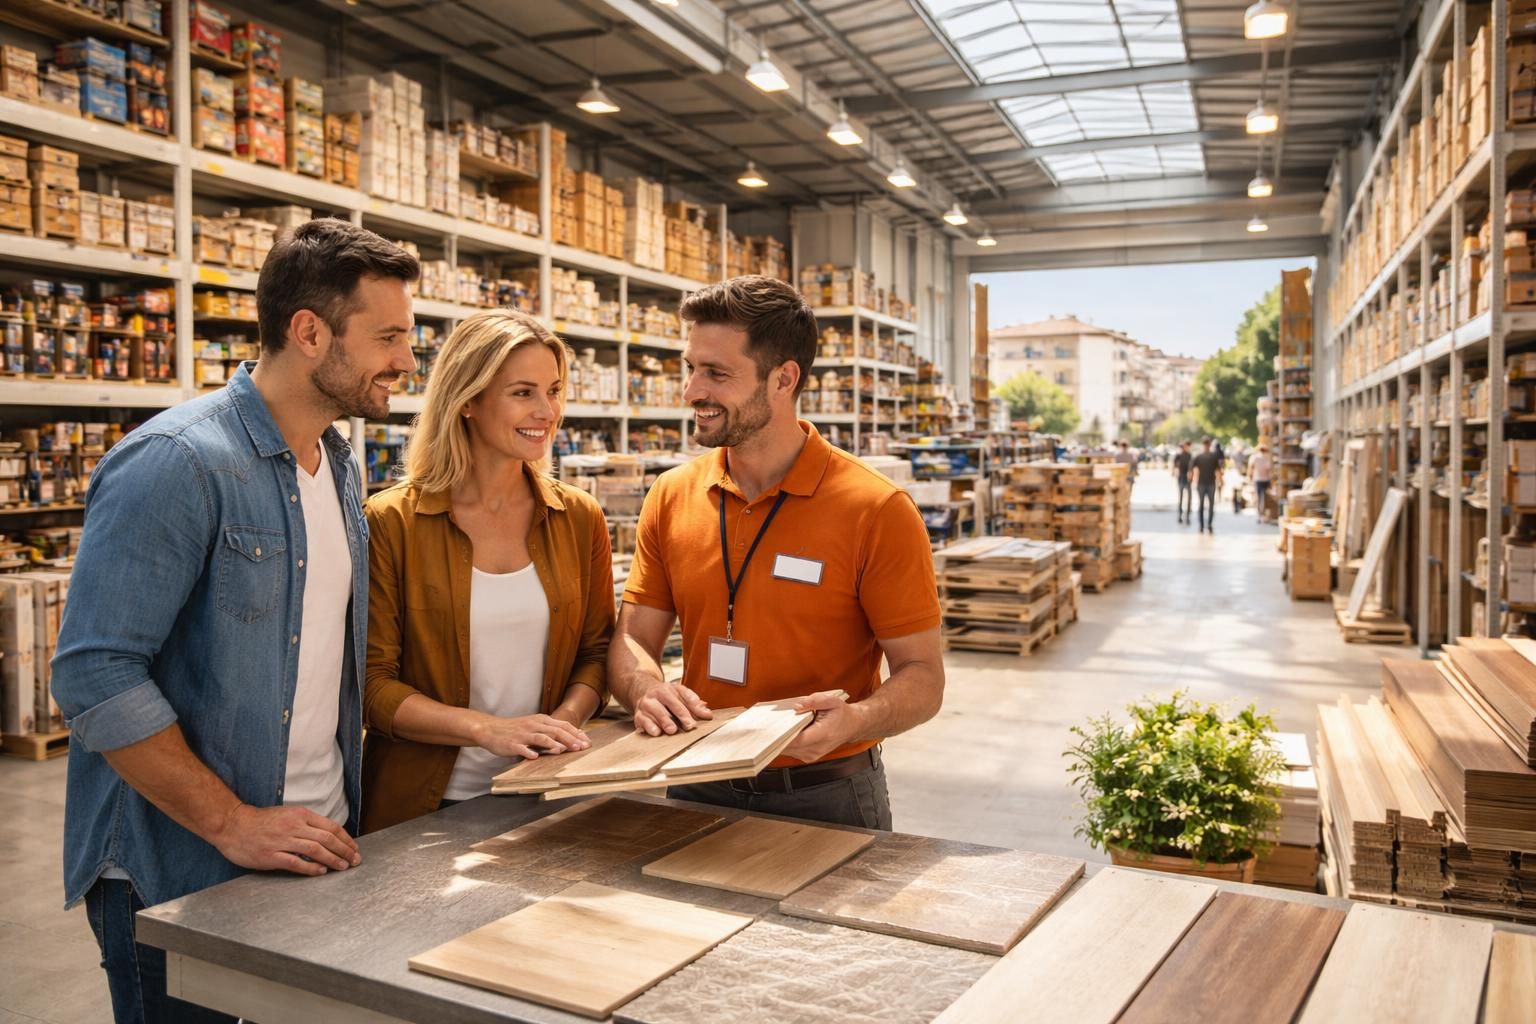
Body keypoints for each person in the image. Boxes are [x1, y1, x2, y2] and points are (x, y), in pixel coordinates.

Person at [51, 218, 420, 1024]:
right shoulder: (177, 462)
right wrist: (234, 823)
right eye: (388, 336)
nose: (405, 361)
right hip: (182, 864)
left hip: (312, 844)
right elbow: (93, 672)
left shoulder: (338, 464)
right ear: (310, 331)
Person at [607, 275, 944, 830]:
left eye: (717, 373)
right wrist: (645, 687)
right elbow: (632, 638)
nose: (693, 391)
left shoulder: (875, 509)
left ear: (784, 378)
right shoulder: (671, 496)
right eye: (691, 368)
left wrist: (857, 719)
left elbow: (923, 676)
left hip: (825, 795)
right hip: (695, 780)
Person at [360, 310, 614, 832]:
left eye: (554, 390)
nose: (547, 411)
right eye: (523, 392)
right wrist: (487, 731)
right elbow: (371, 687)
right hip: (423, 807)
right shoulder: (392, 522)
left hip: (547, 794)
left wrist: (561, 727)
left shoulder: (579, 517)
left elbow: (595, 654)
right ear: (468, 400)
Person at [1192, 436, 1224, 534]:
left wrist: (1219, 481)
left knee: (1207, 505)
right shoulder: (1199, 456)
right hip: (1204, 483)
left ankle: (1207, 525)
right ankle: (1204, 525)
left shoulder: (1210, 456)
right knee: (1205, 505)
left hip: (1208, 483)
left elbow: (1217, 471)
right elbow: (1194, 470)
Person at [1249, 444, 1274, 522]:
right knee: (1265, 498)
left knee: (1259, 497)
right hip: (1265, 480)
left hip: (1258, 479)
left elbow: (1251, 468)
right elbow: (1269, 470)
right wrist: (1271, 480)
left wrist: (1250, 477)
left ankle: (1259, 514)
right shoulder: (1266, 458)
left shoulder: (1255, 457)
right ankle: (1263, 514)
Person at [1173, 440, 1194, 525]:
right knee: (1181, 497)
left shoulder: (1190, 455)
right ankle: (1180, 515)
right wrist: (1175, 473)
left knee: (1189, 498)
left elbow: (1193, 467)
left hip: (1188, 479)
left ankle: (1188, 516)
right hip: (1181, 478)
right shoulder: (1178, 455)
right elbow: (1175, 466)